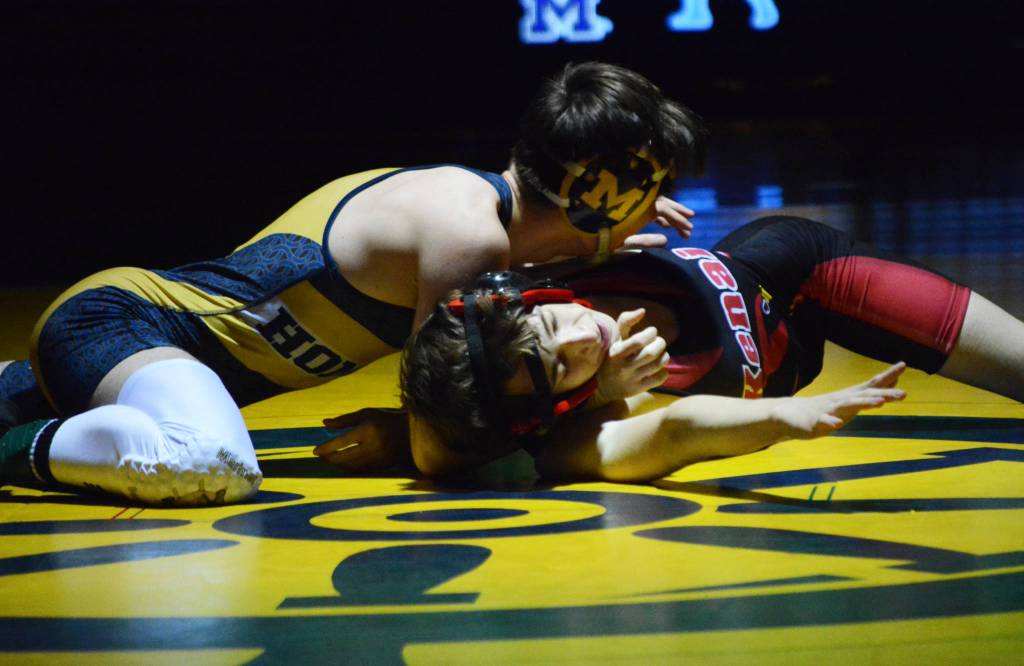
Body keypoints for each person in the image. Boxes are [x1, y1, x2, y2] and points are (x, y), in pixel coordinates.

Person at [0, 61, 707, 505]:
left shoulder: (477, 214)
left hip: (142, 350)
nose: (658, 209)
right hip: (122, 327)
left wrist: (598, 236)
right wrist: (601, 391)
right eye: (652, 189)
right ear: (598, 189)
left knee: (185, 427)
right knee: (209, 461)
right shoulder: (465, 234)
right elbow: (443, 451)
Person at [391, 215, 1024, 482]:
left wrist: (618, 212)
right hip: (788, 350)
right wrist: (787, 417)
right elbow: (681, 429)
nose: (585, 336)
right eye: (561, 365)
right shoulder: (578, 440)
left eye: (553, 324)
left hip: (798, 264)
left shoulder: (529, 270)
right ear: (548, 410)